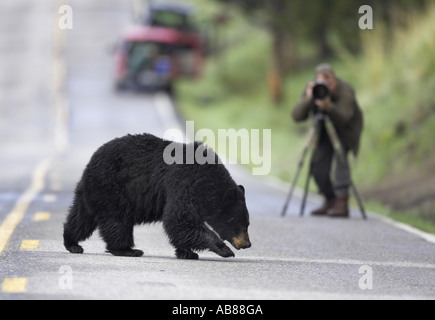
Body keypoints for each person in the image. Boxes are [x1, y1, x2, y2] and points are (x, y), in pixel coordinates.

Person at [291, 64, 363, 218]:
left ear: (334, 80)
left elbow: (345, 118)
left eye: (329, 83)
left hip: (345, 131)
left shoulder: (345, 90)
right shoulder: (313, 88)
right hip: (324, 130)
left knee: (341, 160)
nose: (325, 88)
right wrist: (309, 98)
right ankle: (330, 199)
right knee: (317, 167)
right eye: (322, 83)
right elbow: (296, 116)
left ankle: (342, 202)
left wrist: (329, 107)